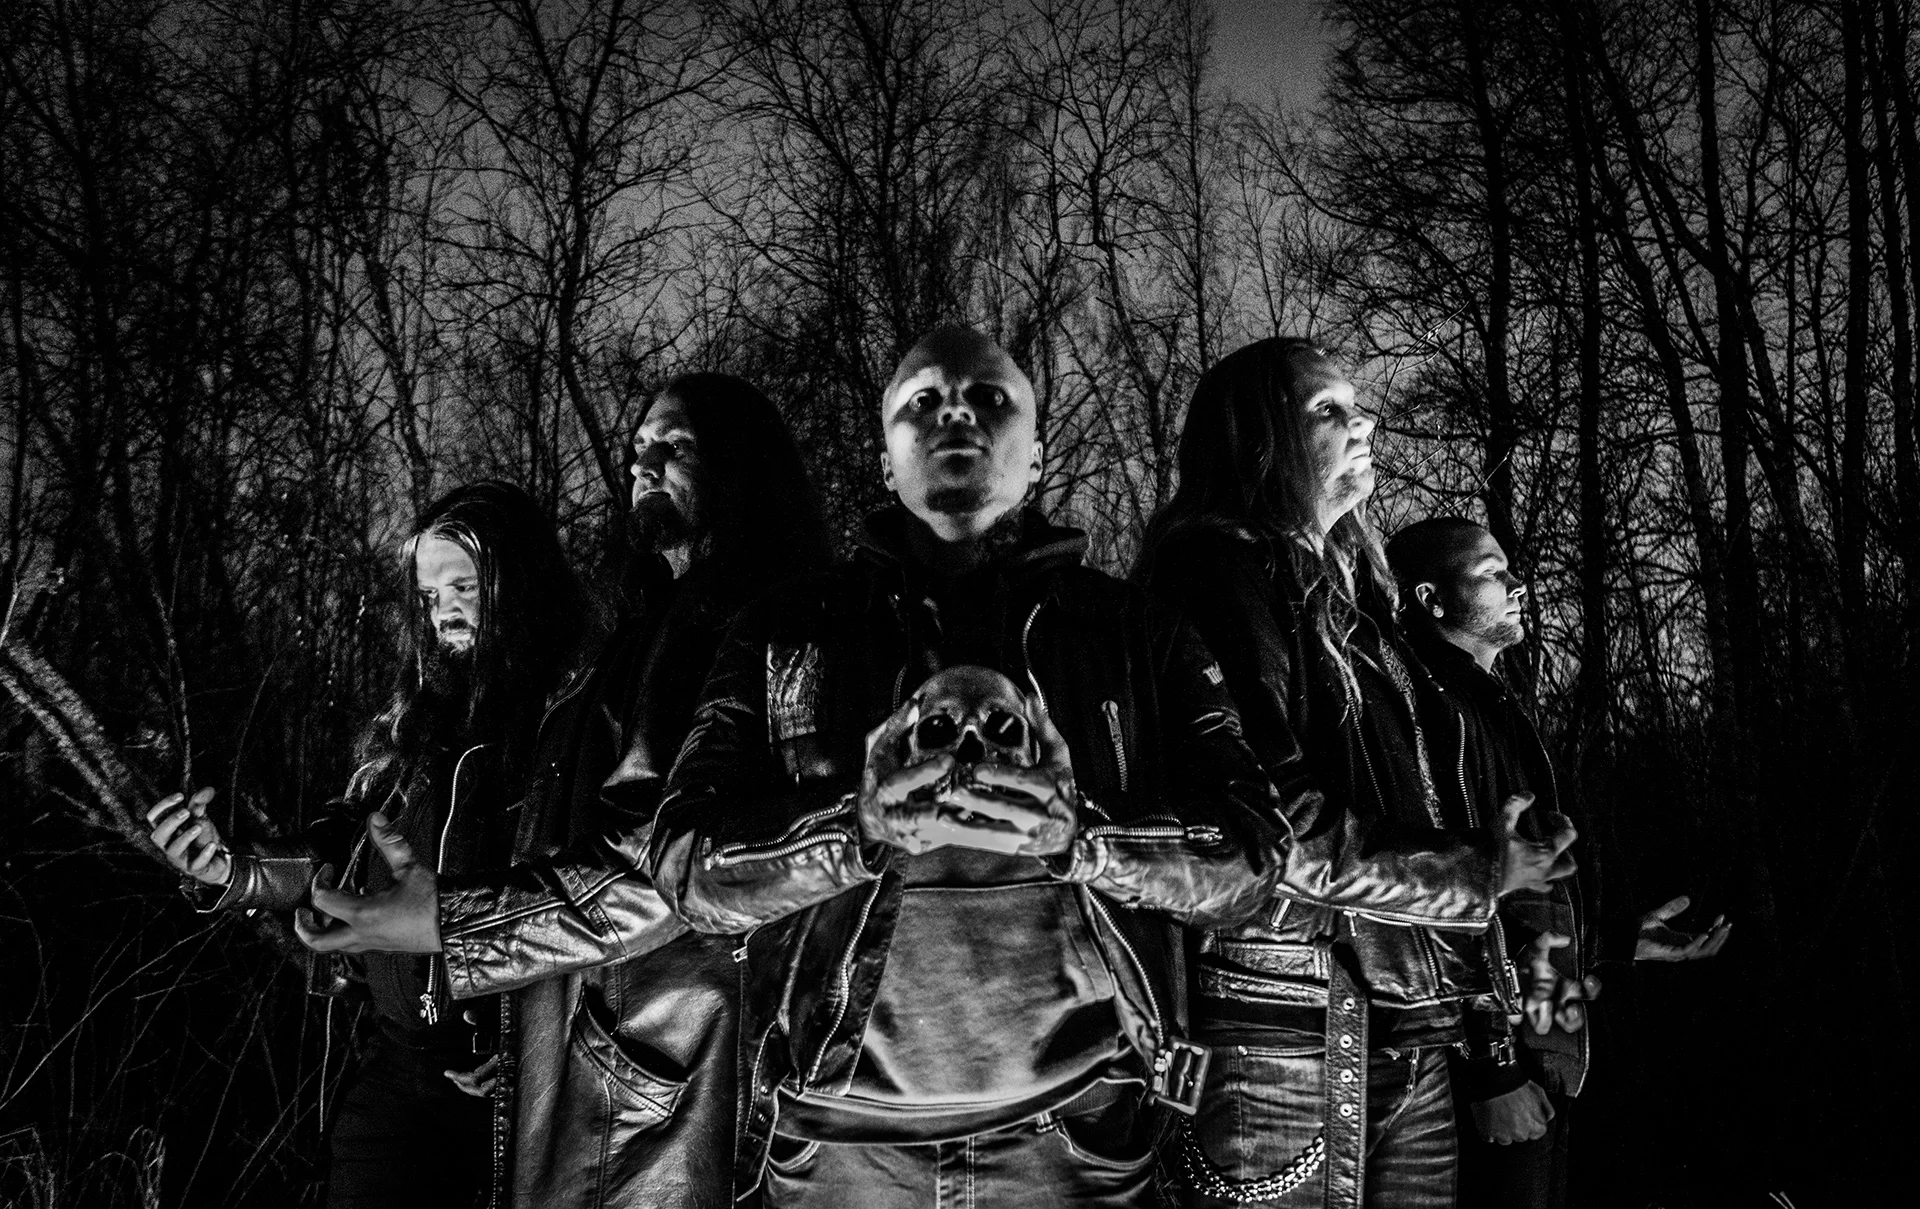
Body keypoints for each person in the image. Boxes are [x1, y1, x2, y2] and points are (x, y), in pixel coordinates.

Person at [646, 325, 1286, 1208]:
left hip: (1078, 1142)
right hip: (842, 1151)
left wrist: (1087, 838)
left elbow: (1255, 855)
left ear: (1037, 454)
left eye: (989, 397)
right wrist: (852, 827)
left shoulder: (1137, 630)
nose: (956, 412)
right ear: (885, 461)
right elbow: (683, 863)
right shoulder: (785, 631)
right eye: (923, 400)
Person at [290, 374, 831, 1207]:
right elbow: (565, 852)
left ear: (741, 463)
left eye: (675, 445)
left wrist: (455, 929)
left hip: (672, 1070)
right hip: (579, 1065)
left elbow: (659, 873)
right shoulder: (642, 631)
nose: (643, 465)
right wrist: (252, 871)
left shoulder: (751, 621)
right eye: (637, 448)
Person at [1133, 337, 1579, 1209]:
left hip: (1403, 1023)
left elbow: (1411, 805)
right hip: (1281, 1028)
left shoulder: (1358, 603)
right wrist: (1478, 871)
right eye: (1328, 410)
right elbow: (1271, 825)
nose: (1364, 422)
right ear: (1258, 438)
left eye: (1359, 404)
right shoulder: (1219, 569)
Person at [146, 479, 602, 1209]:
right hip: (397, 1072)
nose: (444, 610)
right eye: (429, 594)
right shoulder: (413, 728)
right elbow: (337, 849)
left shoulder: (576, 722)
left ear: (519, 584)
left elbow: (610, 899)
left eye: (464, 586)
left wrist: (543, 1046)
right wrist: (231, 869)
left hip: (521, 1092)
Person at [1386, 516, 1730, 1209]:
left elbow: (1519, 900)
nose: (1518, 584)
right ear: (1431, 598)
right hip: (1489, 1068)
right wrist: (1492, 1069)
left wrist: (1617, 941)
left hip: (1538, 1053)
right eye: (1491, 572)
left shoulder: (1487, 705)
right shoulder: (1435, 713)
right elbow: (1442, 902)